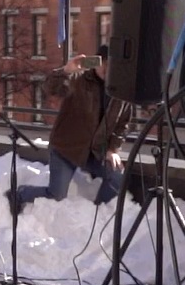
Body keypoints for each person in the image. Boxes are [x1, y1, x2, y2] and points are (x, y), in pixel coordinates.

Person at [12, 45, 133, 212]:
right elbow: (50, 88)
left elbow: (122, 124)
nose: (107, 69)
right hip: (66, 149)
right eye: (103, 63)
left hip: (94, 152)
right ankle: (21, 193)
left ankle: (97, 213)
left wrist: (112, 148)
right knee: (56, 195)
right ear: (95, 62)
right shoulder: (79, 79)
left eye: (112, 65)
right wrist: (65, 71)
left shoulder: (120, 91)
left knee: (118, 177)